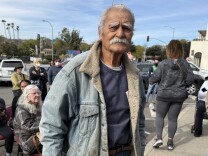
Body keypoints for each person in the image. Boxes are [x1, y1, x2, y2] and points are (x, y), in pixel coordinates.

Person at [40, 4, 146, 156]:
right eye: (113, 27)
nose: (120, 33)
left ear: (131, 35)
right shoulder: (75, 71)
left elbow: (139, 123)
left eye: (127, 28)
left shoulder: (134, 75)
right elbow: (52, 127)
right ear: (100, 32)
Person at [149, 40, 194, 150]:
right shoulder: (185, 64)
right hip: (178, 96)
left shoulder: (163, 63)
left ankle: (159, 138)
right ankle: (170, 143)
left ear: (168, 50)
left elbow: (154, 79)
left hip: (163, 95)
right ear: (180, 50)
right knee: (173, 119)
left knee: (160, 116)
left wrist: (152, 79)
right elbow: (190, 80)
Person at [13, 84, 42, 155]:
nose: (37, 95)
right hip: (27, 140)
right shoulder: (21, 108)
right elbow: (27, 127)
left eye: (38, 93)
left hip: (38, 135)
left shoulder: (39, 105)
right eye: (34, 93)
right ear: (27, 96)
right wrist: (46, 125)